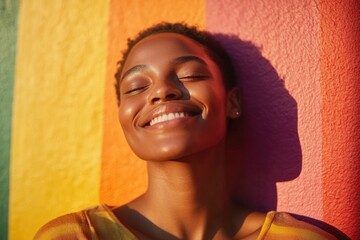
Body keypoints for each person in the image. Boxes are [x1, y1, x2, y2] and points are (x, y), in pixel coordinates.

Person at [34, 22, 336, 239]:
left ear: (232, 102)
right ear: (124, 118)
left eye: (189, 74)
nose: (162, 91)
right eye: (137, 87)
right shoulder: (73, 236)